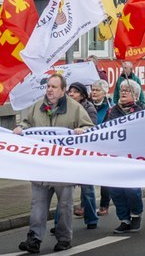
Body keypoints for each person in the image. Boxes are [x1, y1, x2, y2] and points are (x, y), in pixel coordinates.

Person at [14, 75, 93, 253]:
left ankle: (64, 239)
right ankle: (34, 238)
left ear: (63, 90)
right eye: (48, 86)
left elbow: (89, 127)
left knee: (64, 206)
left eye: (54, 87)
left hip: (63, 168)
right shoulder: (38, 107)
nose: (49, 89)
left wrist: (82, 130)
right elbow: (27, 123)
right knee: (37, 204)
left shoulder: (75, 108)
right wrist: (21, 128)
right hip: (41, 166)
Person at [107, 79, 145, 235]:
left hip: (133, 156)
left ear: (135, 95)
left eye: (127, 90)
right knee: (115, 189)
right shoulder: (112, 111)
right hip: (114, 156)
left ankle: (136, 213)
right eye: (121, 89)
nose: (122, 92)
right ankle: (124, 219)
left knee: (131, 189)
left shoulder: (141, 110)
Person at [66, 82, 99, 229]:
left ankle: (91, 219)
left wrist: (82, 129)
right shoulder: (63, 107)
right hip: (67, 154)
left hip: (84, 154)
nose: (71, 94)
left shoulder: (89, 108)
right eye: (70, 91)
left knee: (87, 189)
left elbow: (92, 127)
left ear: (83, 95)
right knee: (64, 192)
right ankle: (60, 222)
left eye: (75, 92)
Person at [89, 80, 113, 217]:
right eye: (93, 89)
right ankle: (84, 204)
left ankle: (104, 204)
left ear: (104, 92)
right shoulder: (87, 105)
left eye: (97, 90)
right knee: (87, 176)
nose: (94, 92)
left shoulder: (110, 107)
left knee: (105, 177)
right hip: (90, 144)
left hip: (105, 146)